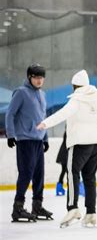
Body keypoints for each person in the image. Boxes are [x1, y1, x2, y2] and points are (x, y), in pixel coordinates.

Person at [37, 70, 97, 228]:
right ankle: (91, 212)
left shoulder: (77, 99)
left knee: (72, 174)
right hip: (96, 142)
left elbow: (62, 114)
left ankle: (73, 208)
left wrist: (45, 124)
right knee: (90, 177)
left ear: (74, 86)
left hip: (80, 143)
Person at [6, 63, 53, 222]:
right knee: (26, 174)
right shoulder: (21, 93)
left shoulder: (43, 95)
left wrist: (45, 138)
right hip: (25, 140)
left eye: (41, 77)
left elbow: (43, 118)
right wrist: (11, 134)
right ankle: (17, 208)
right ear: (29, 77)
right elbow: (10, 114)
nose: (39, 80)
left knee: (39, 175)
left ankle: (37, 206)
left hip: (38, 141)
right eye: (36, 77)